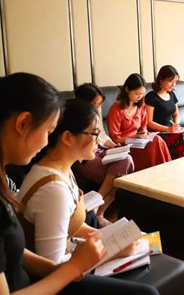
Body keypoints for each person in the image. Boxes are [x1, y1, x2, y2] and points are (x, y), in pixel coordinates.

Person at [0, 73, 106, 294]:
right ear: (23, 123)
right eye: (48, 131)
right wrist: (73, 267)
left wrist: (57, 268)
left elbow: (10, 248)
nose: (48, 141)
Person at [17, 99, 138, 263]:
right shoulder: (53, 190)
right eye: (95, 134)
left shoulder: (63, 170)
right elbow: (52, 264)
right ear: (68, 137)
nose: (99, 141)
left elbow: (72, 226)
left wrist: (111, 238)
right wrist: (113, 250)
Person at [73, 83, 135, 227]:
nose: (98, 108)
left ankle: (98, 208)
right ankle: (99, 211)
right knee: (120, 173)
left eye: (100, 105)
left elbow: (102, 134)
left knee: (127, 159)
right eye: (95, 104)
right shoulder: (75, 118)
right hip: (85, 156)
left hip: (100, 149)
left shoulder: (96, 113)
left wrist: (113, 146)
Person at [107, 73, 171, 171]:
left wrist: (144, 132)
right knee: (153, 145)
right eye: (137, 94)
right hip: (125, 146)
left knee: (157, 139)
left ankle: (165, 171)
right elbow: (115, 139)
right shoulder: (116, 109)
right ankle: (160, 172)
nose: (140, 97)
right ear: (127, 90)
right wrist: (134, 137)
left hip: (138, 142)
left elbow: (143, 126)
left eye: (142, 94)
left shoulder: (140, 106)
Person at [145, 65, 184, 158]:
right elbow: (149, 122)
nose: (173, 85)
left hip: (171, 130)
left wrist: (176, 125)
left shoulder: (172, 94)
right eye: (171, 81)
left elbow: (176, 114)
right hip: (159, 132)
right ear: (161, 80)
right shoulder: (151, 97)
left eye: (175, 82)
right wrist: (167, 129)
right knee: (181, 138)